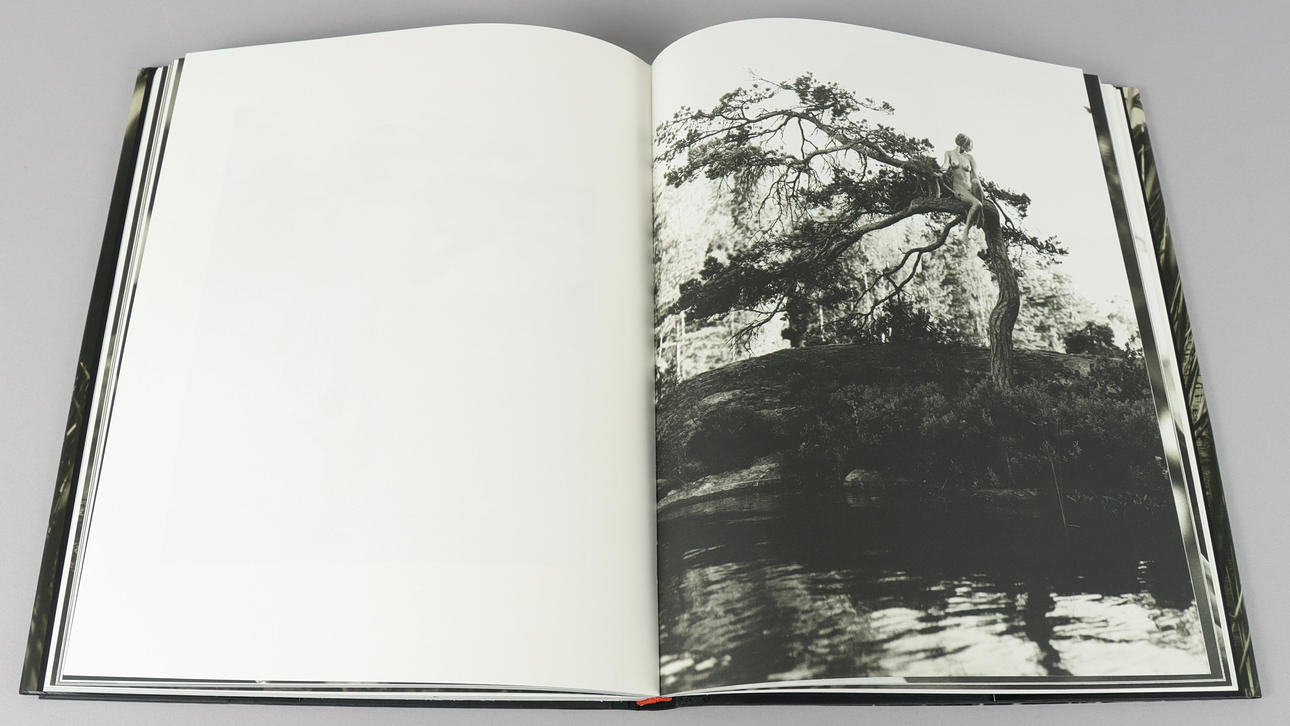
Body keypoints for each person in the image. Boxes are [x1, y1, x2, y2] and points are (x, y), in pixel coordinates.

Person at [943, 133, 982, 244]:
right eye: (968, 146)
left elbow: (975, 176)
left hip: (971, 188)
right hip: (959, 189)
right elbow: (945, 166)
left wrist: (977, 189)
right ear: (963, 144)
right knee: (978, 204)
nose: (969, 149)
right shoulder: (949, 153)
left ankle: (980, 213)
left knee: (976, 182)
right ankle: (965, 233)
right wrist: (939, 172)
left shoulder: (970, 157)